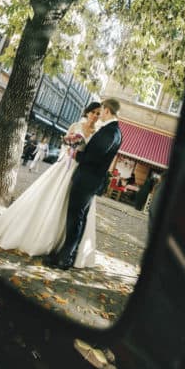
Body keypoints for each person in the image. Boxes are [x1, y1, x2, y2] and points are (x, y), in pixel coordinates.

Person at [0, 102, 103, 268]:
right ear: (88, 112)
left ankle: (63, 244)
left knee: (73, 206)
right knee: (48, 196)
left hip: (80, 170)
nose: (95, 116)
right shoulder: (76, 125)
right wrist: (69, 148)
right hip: (66, 164)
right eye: (93, 112)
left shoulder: (97, 133)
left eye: (99, 113)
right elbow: (65, 142)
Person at [46, 98, 123, 270]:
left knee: (75, 219)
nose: (100, 113)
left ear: (108, 111)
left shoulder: (110, 132)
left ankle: (64, 259)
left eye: (102, 110)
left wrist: (77, 156)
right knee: (78, 218)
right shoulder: (114, 131)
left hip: (87, 180)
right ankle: (68, 256)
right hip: (90, 180)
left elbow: (93, 158)